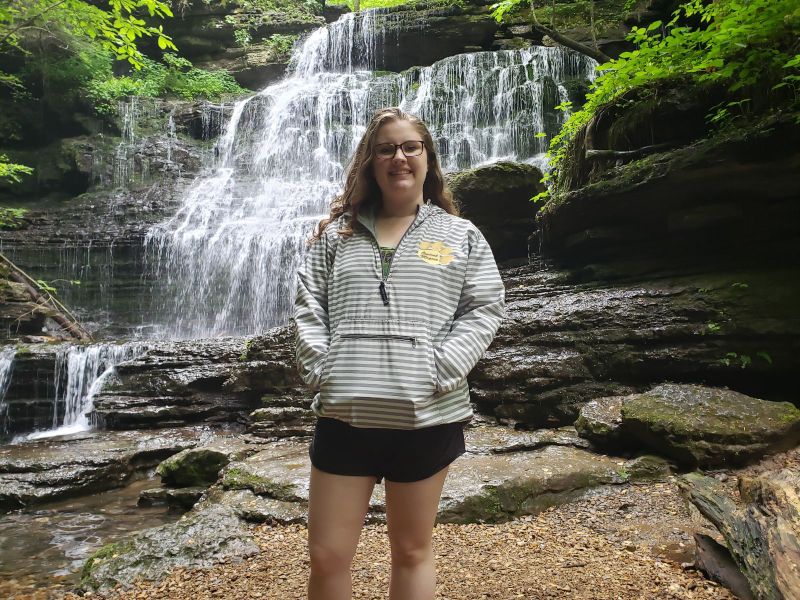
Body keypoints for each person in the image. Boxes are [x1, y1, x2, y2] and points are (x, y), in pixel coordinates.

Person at [293, 107, 505, 600]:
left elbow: (485, 307)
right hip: (345, 414)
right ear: (371, 162)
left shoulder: (461, 236)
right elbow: (308, 307)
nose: (399, 158)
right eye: (386, 148)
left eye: (411, 147)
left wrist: (442, 366)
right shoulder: (335, 236)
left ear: (428, 158)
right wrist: (323, 369)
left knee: (411, 551)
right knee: (326, 555)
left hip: (427, 415)